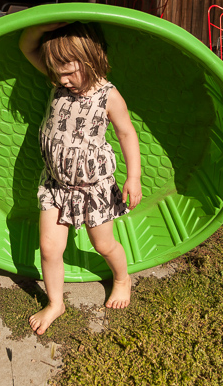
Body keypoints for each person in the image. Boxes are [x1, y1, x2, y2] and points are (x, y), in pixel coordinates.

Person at [19, 21, 142, 335]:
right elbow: (27, 45)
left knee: (103, 245)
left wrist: (134, 177)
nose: (62, 78)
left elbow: (127, 133)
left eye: (69, 71)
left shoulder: (108, 96)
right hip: (56, 185)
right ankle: (55, 303)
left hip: (93, 188)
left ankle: (121, 278)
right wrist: (49, 24)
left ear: (91, 59)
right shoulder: (59, 84)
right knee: (49, 248)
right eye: (56, 71)